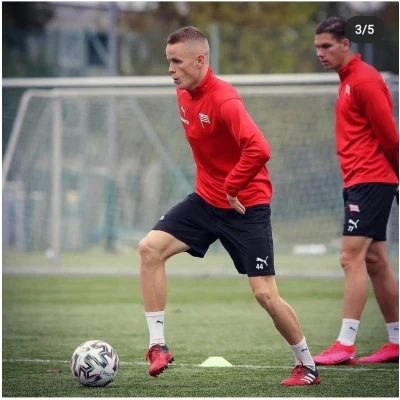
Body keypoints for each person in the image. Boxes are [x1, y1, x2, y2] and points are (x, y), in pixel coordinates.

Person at [139, 26, 320, 386]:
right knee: (149, 249)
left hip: (245, 207)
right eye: (168, 61)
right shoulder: (183, 92)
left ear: (200, 60)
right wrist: (218, 187)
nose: (170, 69)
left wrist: (232, 185)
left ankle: (307, 366)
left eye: (177, 61)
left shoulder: (225, 100)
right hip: (206, 201)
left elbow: (260, 148)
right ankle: (158, 346)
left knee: (265, 294)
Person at [313, 17, 399, 365]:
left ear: (346, 44)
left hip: (371, 180)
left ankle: (345, 343)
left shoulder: (364, 80)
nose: (320, 53)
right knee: (376, 261)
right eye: (317, 47)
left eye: (327, 46)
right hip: (359, 181)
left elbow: (391, 138)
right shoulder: (347, 79)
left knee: (351, 258)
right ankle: (397, 340)